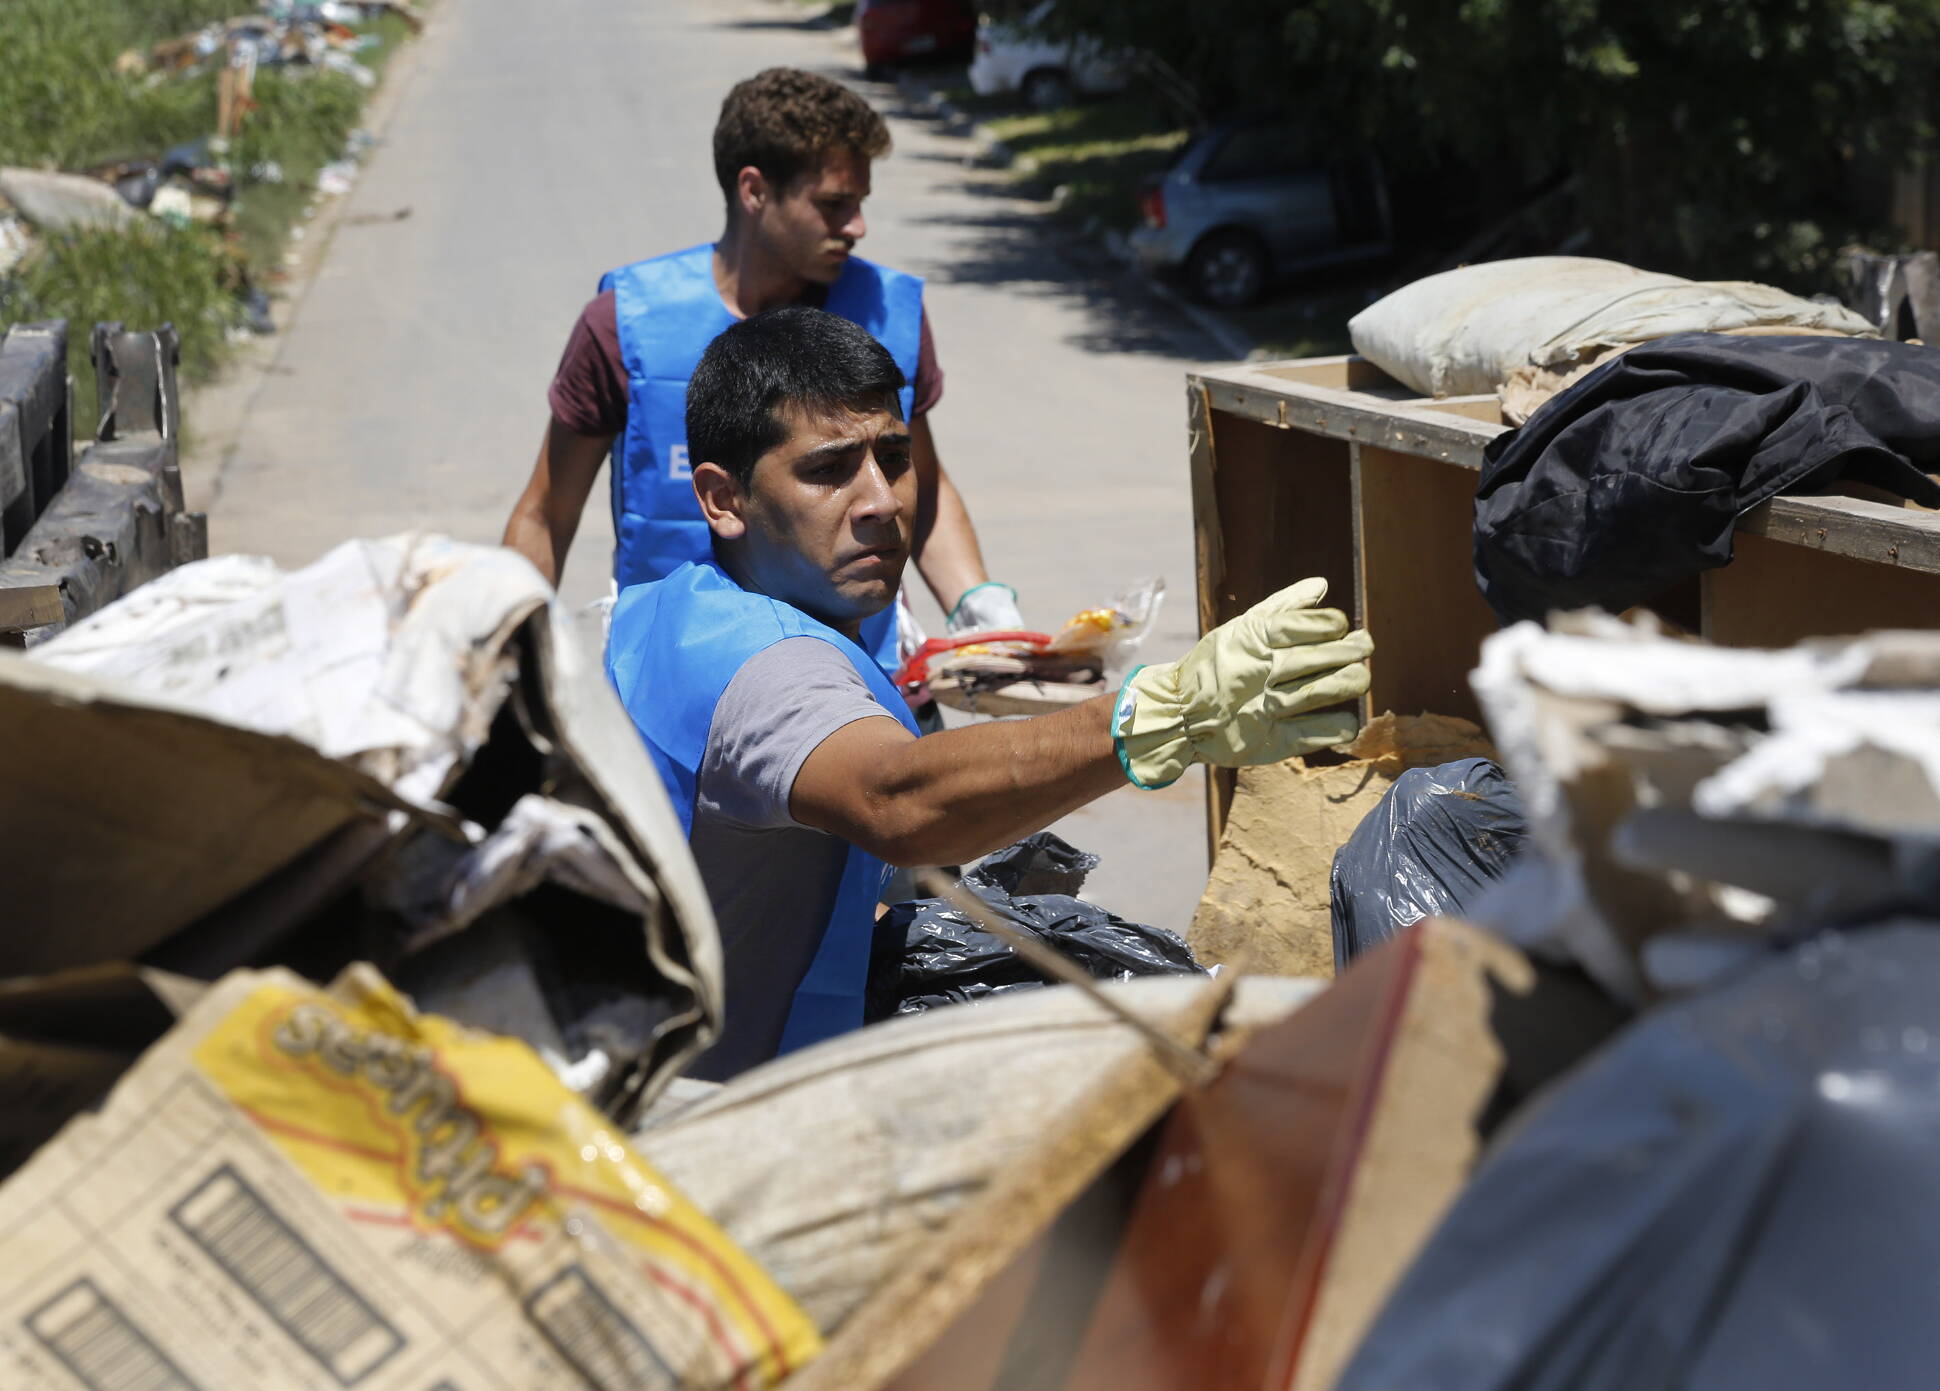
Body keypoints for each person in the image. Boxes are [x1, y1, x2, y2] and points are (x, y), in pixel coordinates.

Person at [606, 308, 1374, 1079]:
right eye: (828, 469)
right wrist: (1156, 715)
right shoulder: (774, 669)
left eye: (894, 457)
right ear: (722, 499)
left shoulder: (668, 610)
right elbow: (896, 799)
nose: (881, 501)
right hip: (704, 1122)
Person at [502, 67, 1023, 674]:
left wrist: (979, 605)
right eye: (832, 204)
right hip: (677, 679)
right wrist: (513, 656)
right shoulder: (628, 323)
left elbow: (919, 487)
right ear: (754, 191)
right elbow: (547, 512)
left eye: (859, 203)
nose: (856, 226)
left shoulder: (886, 314)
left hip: (858, 678)